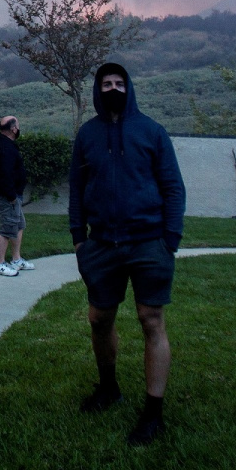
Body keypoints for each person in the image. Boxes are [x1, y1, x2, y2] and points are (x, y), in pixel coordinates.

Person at [69, 63, 186, 446]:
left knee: (151, 320)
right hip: (101, 244)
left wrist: (169, 238)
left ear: (130, 88)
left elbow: (173, 187)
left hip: (149, 241)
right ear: (97, 90)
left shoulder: (152, 132)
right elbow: (76, 189)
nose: (114, 88)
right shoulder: (87, 135)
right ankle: (109, 388)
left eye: (120, 83)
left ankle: (153, 413)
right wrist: (79, 239)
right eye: (107, 83)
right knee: (99, 319)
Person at [0, 115, 32, 276]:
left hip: (13, 196)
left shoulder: (6, 145)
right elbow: (3, 175)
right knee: (7, 229)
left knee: (18, 225)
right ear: (13, 129)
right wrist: (12, 196)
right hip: (8, 197)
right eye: (18, 126)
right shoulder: (4, 148)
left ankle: (16, 259)